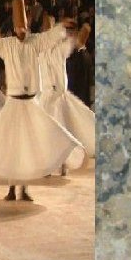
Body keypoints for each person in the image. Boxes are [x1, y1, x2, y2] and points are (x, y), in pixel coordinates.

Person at [0, 0, 86, 202]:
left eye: (24, 28)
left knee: (28, 146)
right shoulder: (7, 44)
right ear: (14, 28)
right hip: (14, 103)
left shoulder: (35, 42)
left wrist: (61, 27)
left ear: (27, 27)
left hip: (31, 103)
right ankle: (12, 188)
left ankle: (24, 188)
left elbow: (50, 38)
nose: (21, 31)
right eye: (18, 28)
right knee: (13, 146)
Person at [38, 20, 95, 159]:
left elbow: (77, 42)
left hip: (59, 96)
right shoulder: (39, 49)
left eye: (51, 28)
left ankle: (65, 158)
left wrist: (83, 30)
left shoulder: (61, 47)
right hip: (46, 97)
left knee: (67, 129)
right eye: (46, 28)